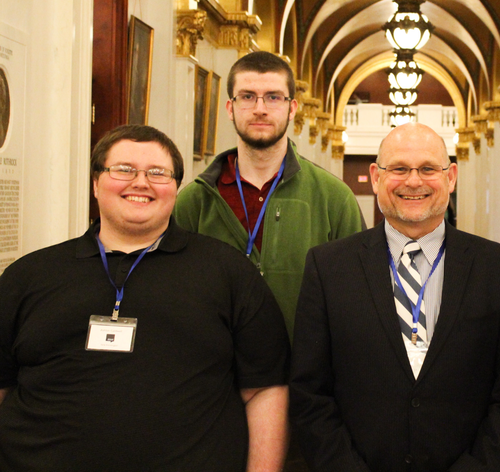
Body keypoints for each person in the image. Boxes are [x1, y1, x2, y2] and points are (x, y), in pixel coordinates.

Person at [0, 125, 290, 472]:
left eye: (158, 173)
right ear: (95, 183)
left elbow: (265, 391)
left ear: (176, 188)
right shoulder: (29, 275)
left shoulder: (229, 273)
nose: (140, 182)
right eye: (123, 169)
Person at [290, 122, 500, 472]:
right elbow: (309, 393)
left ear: (450, 177)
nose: (414, 181)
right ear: (376, 176)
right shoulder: (328, 267)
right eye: (400, 169)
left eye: (427, 169)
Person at [174, 51, 364, 337]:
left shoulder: (334, 198)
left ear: (292, 108)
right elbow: (175, 293)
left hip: (302, 372)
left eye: (274, 97)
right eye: (247, 96)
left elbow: (355, 297)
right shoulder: (195, 200)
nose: (260, 108)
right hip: (214, 370)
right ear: (230, 108)